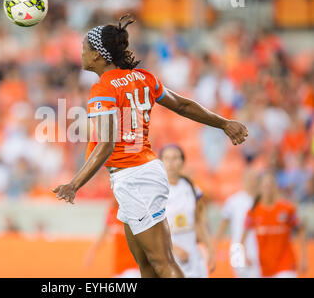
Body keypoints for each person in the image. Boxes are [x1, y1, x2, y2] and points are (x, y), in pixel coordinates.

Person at [52, 15, 248, 278]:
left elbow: (106, 144)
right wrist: (223, 123)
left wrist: (74, 184)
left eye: (85, 49)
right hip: (137, 175)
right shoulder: (142, 78)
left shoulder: (103, 89)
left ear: (99, 55)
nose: (82, 53)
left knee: (163, 262)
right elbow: (183, 105)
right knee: (146, 265)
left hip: (135, 177)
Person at [160, 144, 215, 278]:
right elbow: (153, 229)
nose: (171, 163)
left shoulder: (191, 188)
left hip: (192, 249)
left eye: (175, 158)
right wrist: (173, 249)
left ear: (182, 161)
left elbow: (198, 221)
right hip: (168, 253)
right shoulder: (157, 191)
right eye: (166, 158)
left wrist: (210, 248)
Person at [241, 171, 308, 278]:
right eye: (265, 185)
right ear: (260, 188)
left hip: (286, 264)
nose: (268, 188)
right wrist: (244, 256)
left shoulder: (287, 209)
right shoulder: (253, 212)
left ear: (276, 187)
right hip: (264, 267)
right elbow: (242, 238)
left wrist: (304, 258)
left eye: (271, 185)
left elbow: (300, 229)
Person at [215, 169, 261, 278]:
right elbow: (223, 224)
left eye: (253, 179)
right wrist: (216, 245)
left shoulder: (262, 200)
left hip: (257, 246)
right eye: (248, 179)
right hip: (237, 247)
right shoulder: (233, 201)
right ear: (243, 181)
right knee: (240, 274)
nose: (251, 182)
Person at [84, 197, 140, 278]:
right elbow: (103, 234)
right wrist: (91, 253)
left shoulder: (135, 211)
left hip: (134, 266)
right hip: (119, 266)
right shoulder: (113, 211)